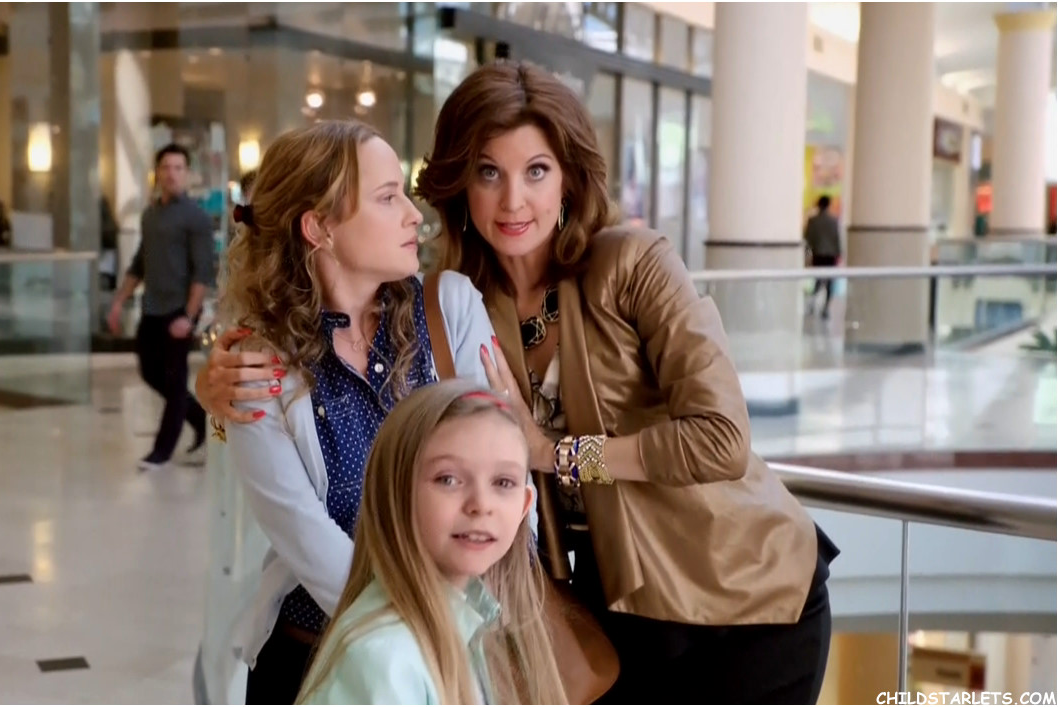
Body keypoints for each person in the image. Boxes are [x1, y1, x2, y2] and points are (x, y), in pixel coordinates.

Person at [201, 60, 838, 705]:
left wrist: (552, 453)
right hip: (612, 602)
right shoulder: (463, 298)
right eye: (488, 172)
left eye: (536, 171)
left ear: (568, 179)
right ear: (460, 183)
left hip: (737, 588)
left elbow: (721, 439)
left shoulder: (632, 265)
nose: (512, 201)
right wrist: (215, 396)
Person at [191, 120, 507, 706]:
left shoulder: (451, 308)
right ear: (320, 227)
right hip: (320, 662)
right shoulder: (257, 362)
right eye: (388, 198)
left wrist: (458, 631)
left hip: (458, 650)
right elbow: (304, 535)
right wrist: (413, 634)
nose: (414, 216)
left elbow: (502, 472)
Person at [296, 379, 565, 705]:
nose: (481, 504)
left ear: (524, 506)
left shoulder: (468, 620)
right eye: (448, 479)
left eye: (503, 482)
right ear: (395, 494)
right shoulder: (383, 661)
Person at [108, 144, 212, 471]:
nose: (172, 174)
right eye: (166, 167)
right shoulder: (150, 215)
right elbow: (140, 263)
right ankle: (200, 418)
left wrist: (189, 317)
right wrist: (119, 301)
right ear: (157, 173)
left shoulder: (196, 218)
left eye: (178, 168)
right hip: (152, 309)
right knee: (150, 372)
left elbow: (203, 272)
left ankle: (161, 451)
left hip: (179, 311)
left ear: (187, 173)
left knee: (175, 380)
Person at [804, 194, 842, 319]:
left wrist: (808, 255)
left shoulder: (813, 221)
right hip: (831, 255)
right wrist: (838, 254)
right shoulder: (834, 221)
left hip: (818, 254)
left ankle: (812, 305)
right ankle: (826, 308)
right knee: (830, 282)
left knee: (818, 280)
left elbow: (808, 239)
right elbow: (837, 239)